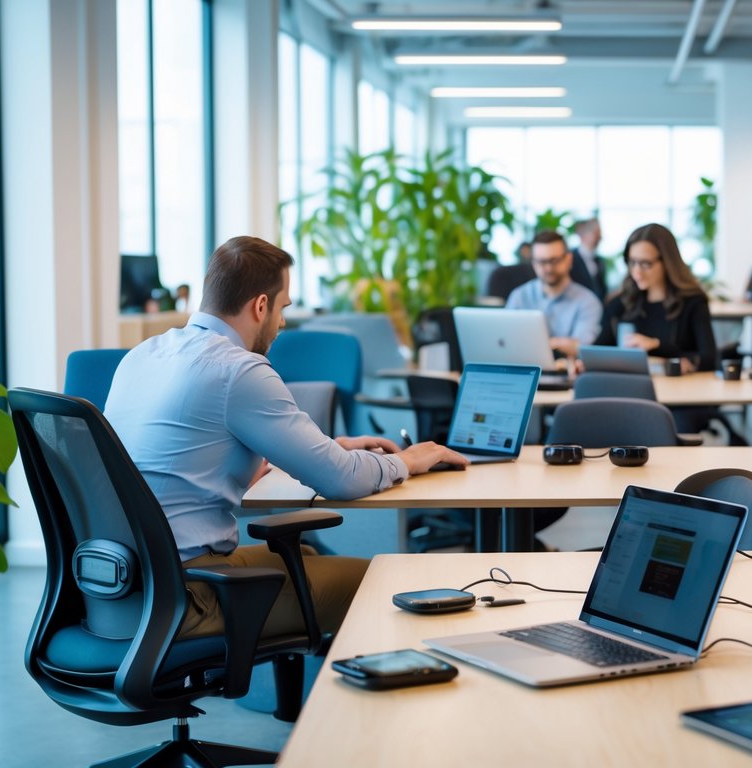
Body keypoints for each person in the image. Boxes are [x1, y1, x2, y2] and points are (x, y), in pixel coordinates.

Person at [104, 236, 466, 640]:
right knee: (382, 582)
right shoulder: (238, 369)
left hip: (124, 587)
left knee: (304, 555)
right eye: (283, 308)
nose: (282, 322)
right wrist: (407, 461)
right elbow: (341, 481)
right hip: (188, 595)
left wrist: (327, 449)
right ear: (261, 305)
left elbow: (187, 460)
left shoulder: (142, 355)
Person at [594, 223, 717, 373]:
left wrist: (656, 345)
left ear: (667, 262)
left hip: (679, 391)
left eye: (645, 263)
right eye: (632, 262)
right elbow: (597, 351)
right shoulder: (621, 303)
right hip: (629, 388)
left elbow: (710, 359)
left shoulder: (693, 302)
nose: (637, 272)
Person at [504, 229, 602, 358]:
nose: (548, 268)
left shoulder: (588, 302)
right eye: (541, 262)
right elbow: (506, 341)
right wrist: (557, 343)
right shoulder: (519, 296)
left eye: (554, 260)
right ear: (533, 263)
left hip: (566, 375)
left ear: (568, 259)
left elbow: (580, 348)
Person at [570, 217, 608, 302]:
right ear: (583, 234)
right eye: (596, 233)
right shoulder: (570, 258)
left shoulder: (599, 260)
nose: (600, 237)